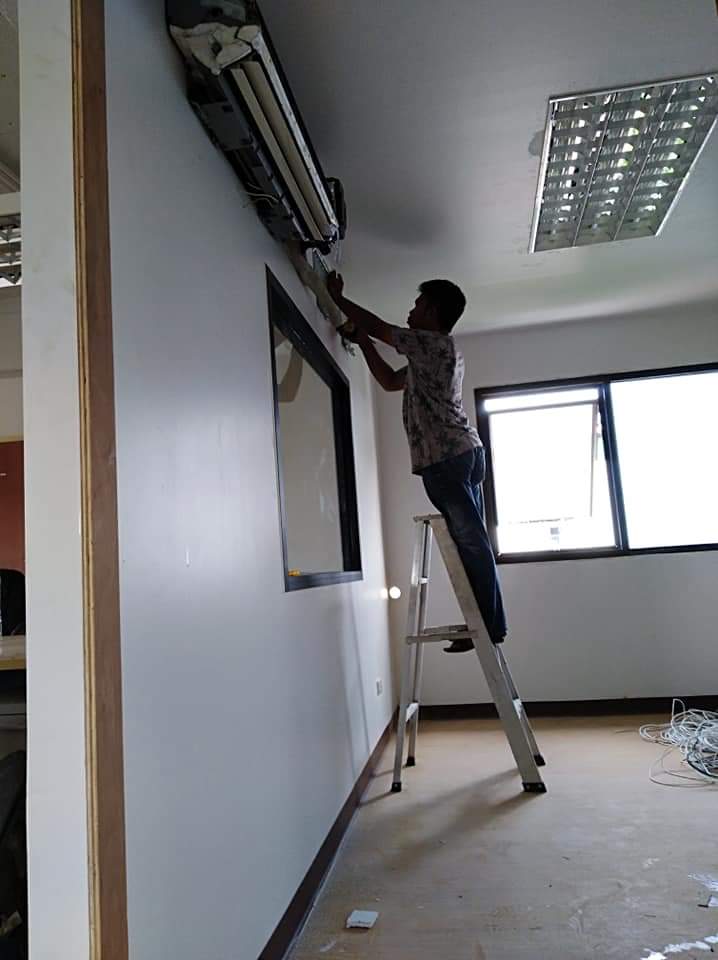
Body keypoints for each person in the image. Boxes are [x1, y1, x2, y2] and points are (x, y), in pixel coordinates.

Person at [326, 272, 507, 652]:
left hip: (446, 458)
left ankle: (488, 626)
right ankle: (489, 623)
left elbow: (380, 328)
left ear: (434, 311)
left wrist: (339, 299)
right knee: (472, 541)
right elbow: (391, 381)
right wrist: (363, 342)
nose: (411, 311)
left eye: (418, 305)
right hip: (462, 454)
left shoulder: (433, 343)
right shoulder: (434, 355)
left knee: (471, 542)